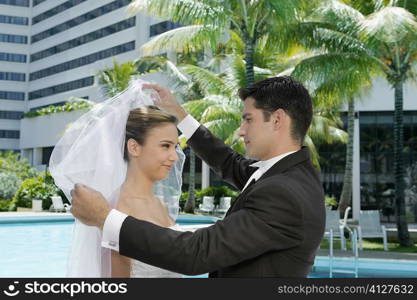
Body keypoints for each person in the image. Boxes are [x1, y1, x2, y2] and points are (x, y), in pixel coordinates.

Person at [71, 76, 326, 277]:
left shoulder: (283, 193)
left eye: (249, 119)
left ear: (278, 119)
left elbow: (196, 253)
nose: (241, 130)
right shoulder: (288, 174)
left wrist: (104, 218)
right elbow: (227, 161)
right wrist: (180, 115)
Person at [49, 80, 186, 277]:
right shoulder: (115, 209)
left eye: (175, 146)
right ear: (134, 147)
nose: (174, 156)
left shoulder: (159, 203)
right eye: (165, 146)